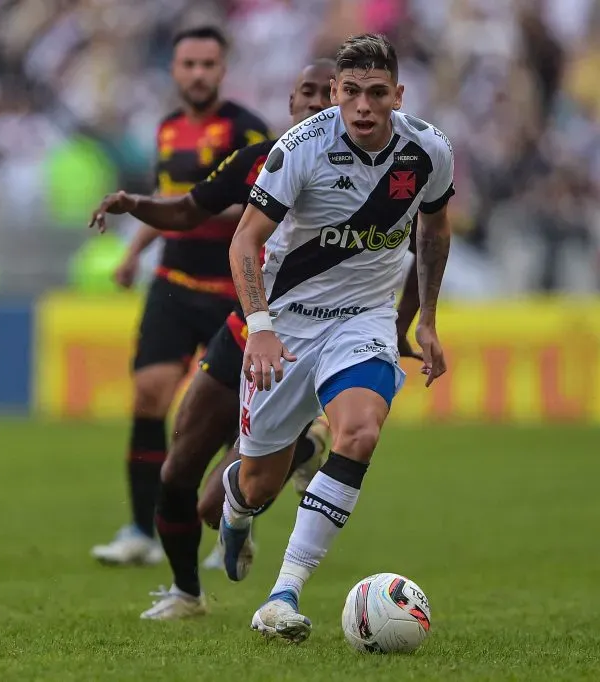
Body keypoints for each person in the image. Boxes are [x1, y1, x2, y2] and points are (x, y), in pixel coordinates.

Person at [89, 59, 423, 620]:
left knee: (261, 481)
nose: (319, 104)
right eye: (308, 94)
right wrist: (135, 207)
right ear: (291, 103)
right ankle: (187, 592)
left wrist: (408, 320)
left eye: (329, 94)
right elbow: (190, 208)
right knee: (189, 486)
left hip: (329, 331)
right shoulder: (265, 160)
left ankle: (299, 466)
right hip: (249, 332)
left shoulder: (381, 167)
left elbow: (417, 240)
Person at [220, 34, 453, 642]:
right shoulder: (300, 147)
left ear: (398, 95)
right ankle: (235, 507)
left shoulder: (428, 151)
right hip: (288, 323)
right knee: (258, 484)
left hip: (365, 317)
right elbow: (244, 241)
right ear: (334, 94)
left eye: (378, 93)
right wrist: (261, 329)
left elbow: (433, 230)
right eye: (351, 93)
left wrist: (423, 318)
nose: (364, 107)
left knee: (359, 431)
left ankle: (283, 593)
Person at [90, 26, 271, 566]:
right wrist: (134, 252)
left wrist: (201, 207)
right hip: (173, 282)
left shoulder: (248, 130)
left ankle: (228, 527)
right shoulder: (168, 130)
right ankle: (141, 529)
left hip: (229, 287)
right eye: (188, 64)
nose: (197, 73)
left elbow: (259, 210)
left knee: (221, 415)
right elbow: (169, 203)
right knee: (149, 395)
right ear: (174, 70)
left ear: (222, 69)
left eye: (207, 64)